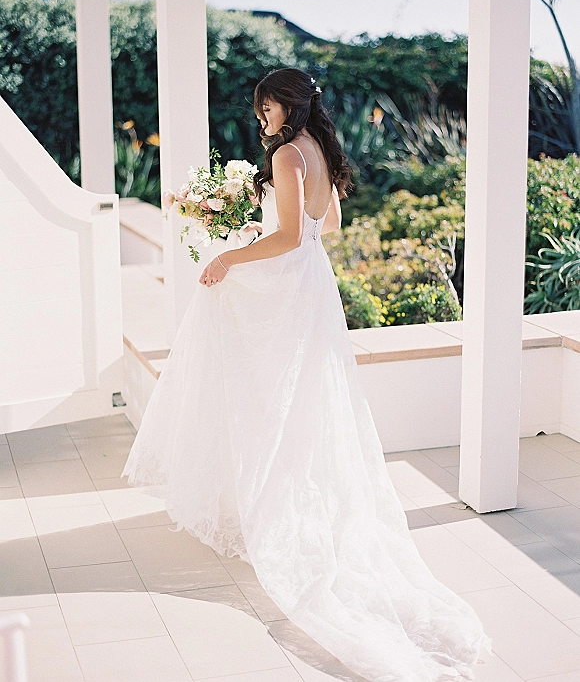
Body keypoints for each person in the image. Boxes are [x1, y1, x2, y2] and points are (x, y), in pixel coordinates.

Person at [121, 68, 492, 682]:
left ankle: (262, 505)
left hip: (289, 287)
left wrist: (232, 253)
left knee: (261, 384)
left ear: (285, 107)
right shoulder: (318, 150)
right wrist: (254, 230)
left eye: (266, 108)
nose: (261, 118)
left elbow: (290, 236)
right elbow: (328, 228)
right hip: (311, 287)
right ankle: (266, 498)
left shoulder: (290, 154)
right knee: (299, 402)